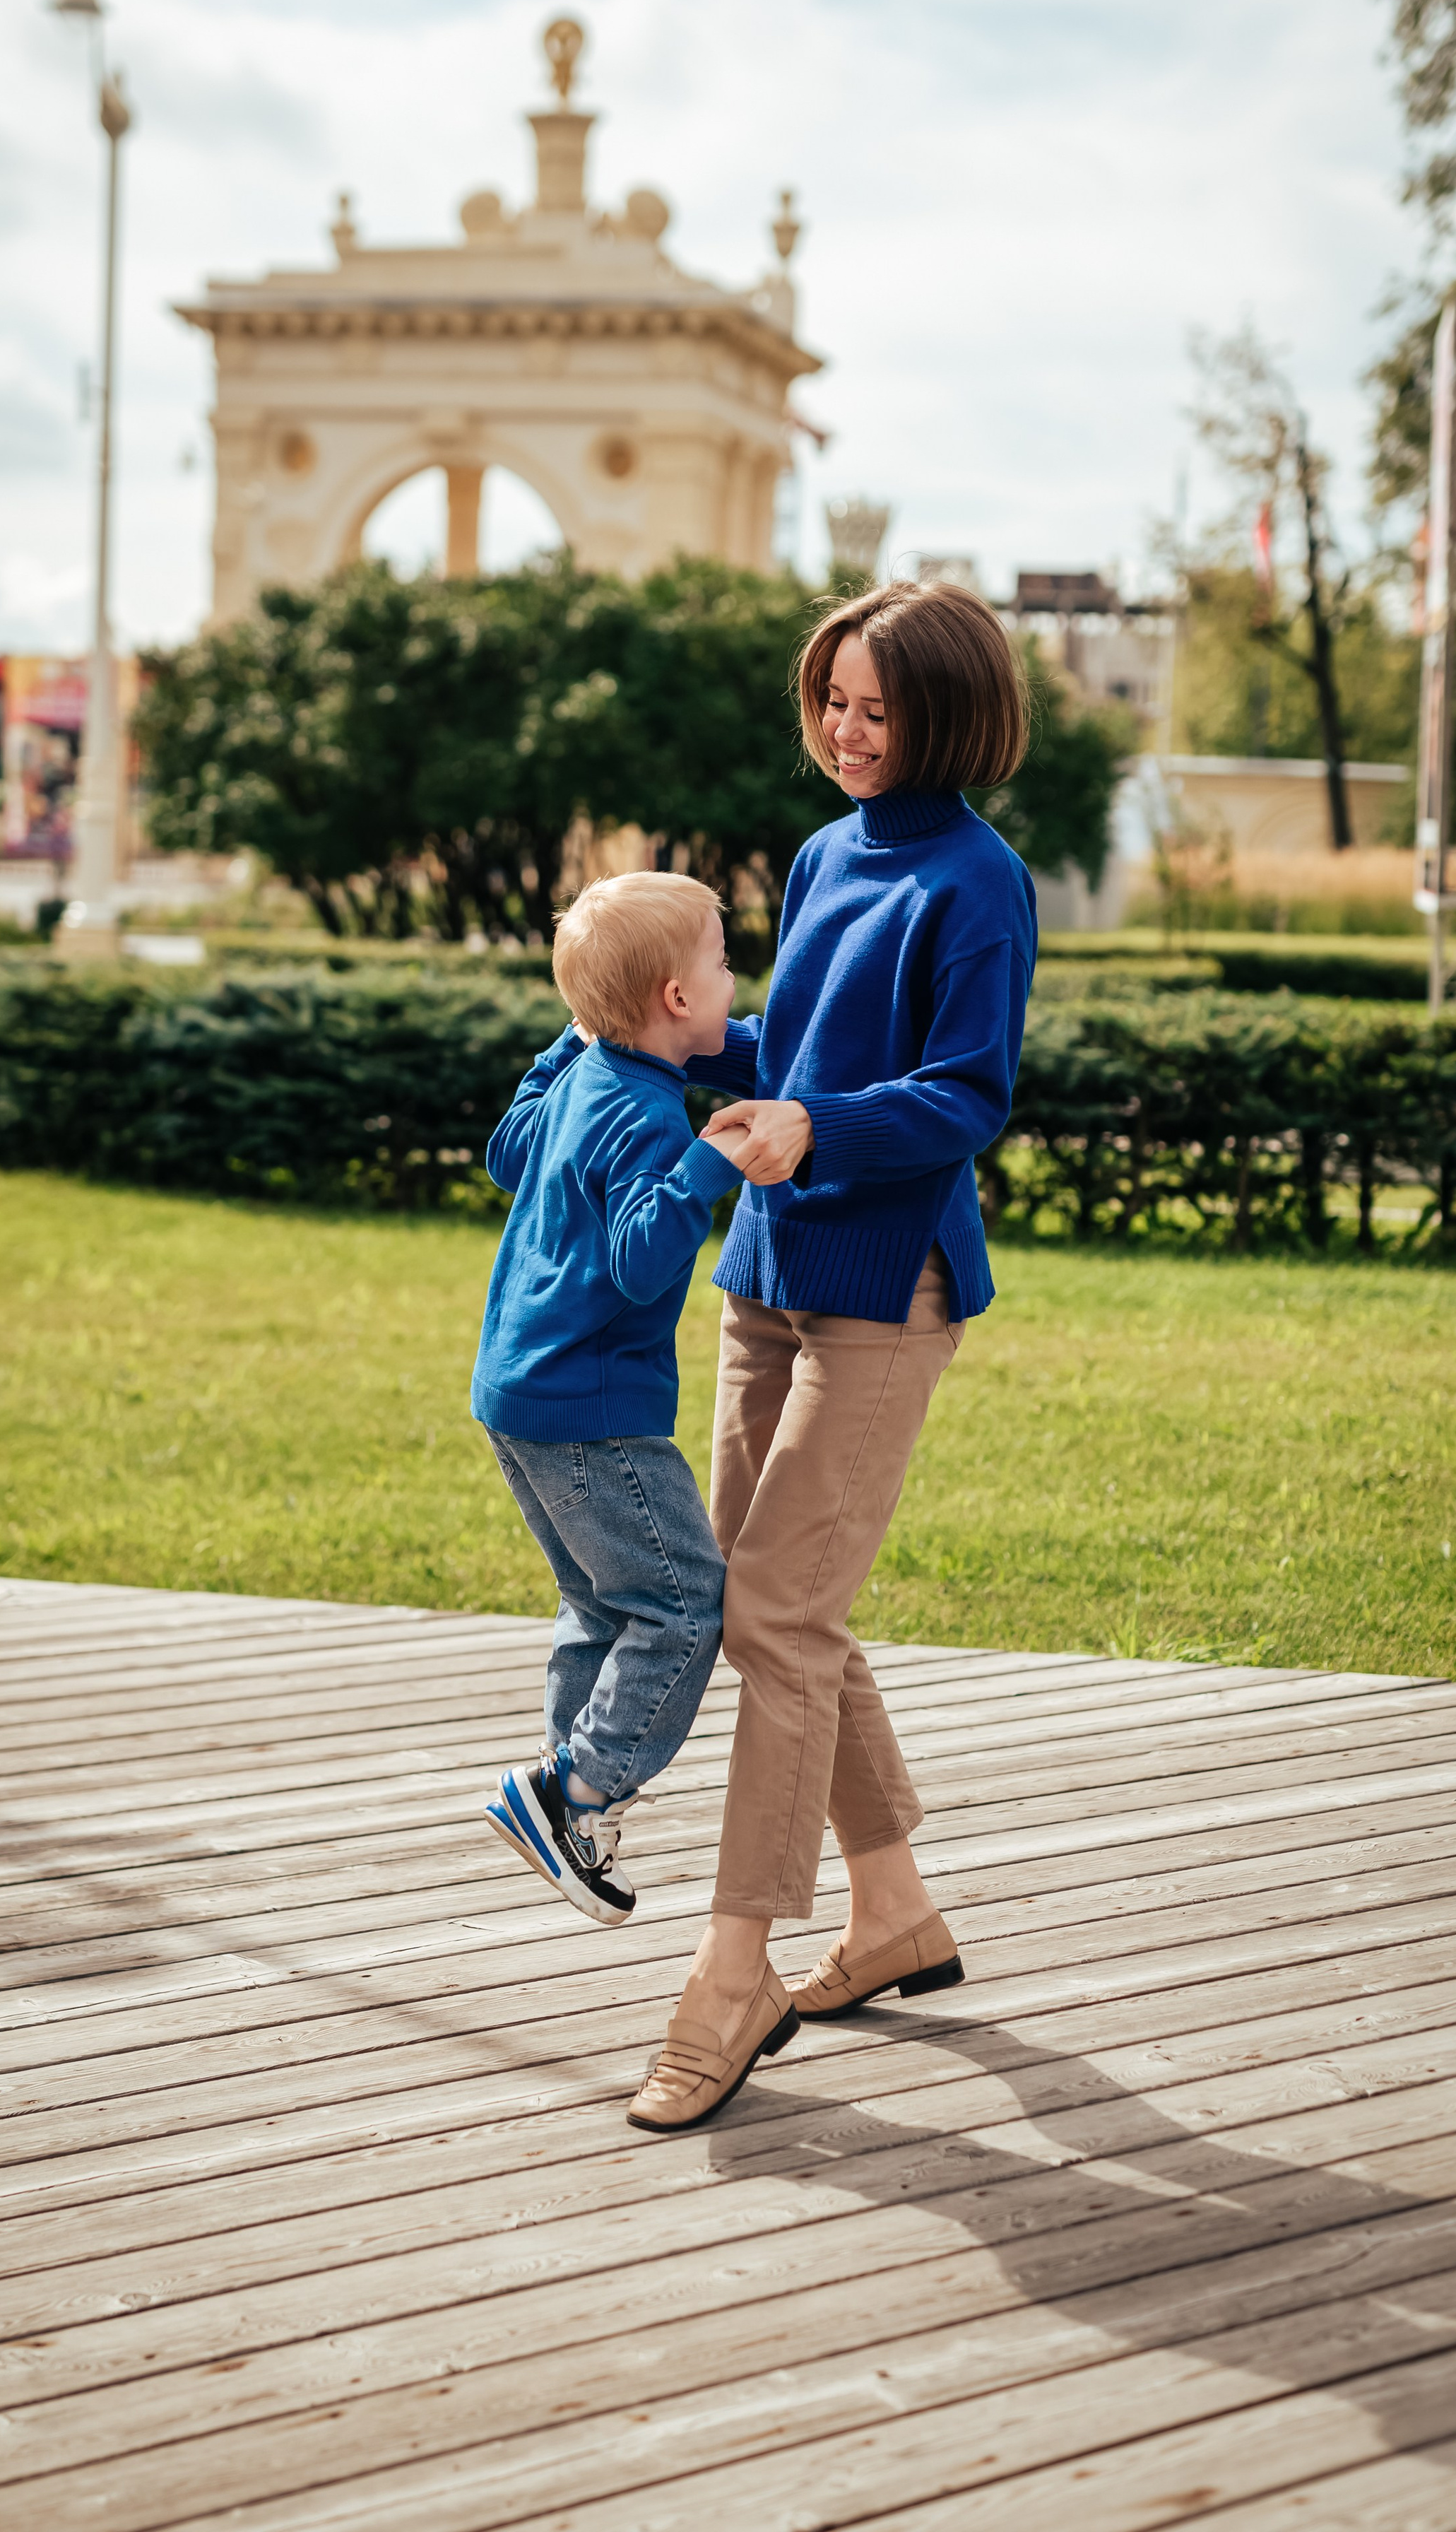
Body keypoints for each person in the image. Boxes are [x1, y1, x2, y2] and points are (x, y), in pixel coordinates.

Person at [625, 580, 1037, 2133]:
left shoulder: (977, 881)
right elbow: (799, 1048)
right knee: (776, 1605)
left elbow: (963, 1094)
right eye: (832, 705)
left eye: (878, 710)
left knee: (775, 1611)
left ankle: (733, 1974)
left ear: (945, 717)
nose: (848, 735)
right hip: (767, 1264)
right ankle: (889, 1917)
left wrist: (818, 1129)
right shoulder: (816, 855)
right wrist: (678, 1044)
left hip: (885, 1285)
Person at [474, 871, 764, 1937]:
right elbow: (643, 1265)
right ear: (678, 1002)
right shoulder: (648, 1118)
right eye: (725, 962)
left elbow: (509, 1150)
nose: (737, 980)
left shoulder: (587, 1078)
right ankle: (579, 1789)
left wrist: (569, 1038)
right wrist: (706, 1163)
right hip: (595, 1409)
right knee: (684, 1601)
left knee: (600, 1603)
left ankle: (564, 1795)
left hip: (518, 1395)